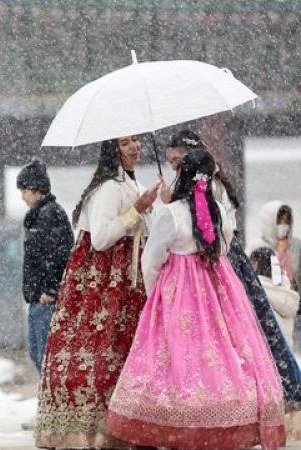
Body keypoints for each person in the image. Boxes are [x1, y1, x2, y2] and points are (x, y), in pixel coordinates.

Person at [106, 148, 286, 450]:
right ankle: (223, 412)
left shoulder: (171, 213)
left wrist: (156, 297)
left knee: (178, 355)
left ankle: (180, 419)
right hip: (218, 287)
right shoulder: (217, 208)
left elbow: (151, 260)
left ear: (182, 175)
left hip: (178, 292)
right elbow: (225, 246)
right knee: (222, 350)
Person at [158, 129, 301, 411]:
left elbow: (206, 225)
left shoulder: (209, 184)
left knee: (248, 326)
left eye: (178, 159)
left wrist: (172, 201)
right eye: (170, 160)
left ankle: (276, 393)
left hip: (220, 258)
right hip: (213, 257)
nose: (174, 166)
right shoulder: (201, 182)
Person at [34, 135, 158, 449]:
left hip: (127, 283)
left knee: (123, 353)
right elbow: (101, 239)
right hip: (102, 285)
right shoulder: (107, 190)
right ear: (112, 150)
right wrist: (137, 210)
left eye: (136, 140)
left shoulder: (132, 184)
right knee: (99, 354)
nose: (135, 147)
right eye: (125, 142)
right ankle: (93, 429)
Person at [16, 160, 74, 374]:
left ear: (35, 189)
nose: (22, 196)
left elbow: (58, 255)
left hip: (47, 300)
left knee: (45, 357)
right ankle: (50, 401)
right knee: (38, 354)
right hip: (39, 297)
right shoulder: (40, 215)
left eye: (24, 190)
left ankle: (52, 403)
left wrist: (51, 290)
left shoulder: (50, 215)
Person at [251, 247, 300, 346]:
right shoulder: (286, 289)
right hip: (286, 351)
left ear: (255, 263)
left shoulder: (256, 290)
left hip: (266, 350)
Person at [251, 201, 301, 292]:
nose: (283, 226)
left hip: (292, 297)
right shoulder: (257, 247)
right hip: (268, 295)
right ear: (270, 223)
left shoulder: (296, 246)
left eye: (286, 222)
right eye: (279, 222)